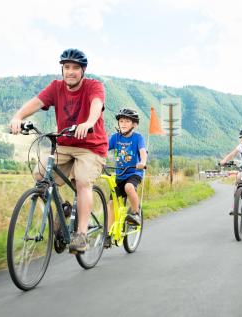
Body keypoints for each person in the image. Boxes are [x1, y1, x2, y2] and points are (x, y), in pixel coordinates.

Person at [9, 48, 107, 253]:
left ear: (83, 71)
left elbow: (96, 105)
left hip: (91, 147)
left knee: (82, 181)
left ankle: (80, 235)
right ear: (62, 69)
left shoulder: (93, 86)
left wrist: (88, 122)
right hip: (64, 145)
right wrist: (18, 117)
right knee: (40, 175)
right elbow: (36, 103)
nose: (70, 72)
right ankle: (63, 208)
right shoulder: (56, 87)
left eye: (75, 68)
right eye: (67, 67)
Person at [105, 108, 147, 246]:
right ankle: (108, 233)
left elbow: (142, 152)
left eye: (127, 121)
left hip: (133, 173)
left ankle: (135, 213)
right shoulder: (115, 137)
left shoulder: (138, 138)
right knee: (111, 204)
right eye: (121, 121)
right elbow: (104, 149)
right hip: (119, 174)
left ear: (134, 124)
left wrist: (142, 162)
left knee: (129, 187)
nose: (123, 123)